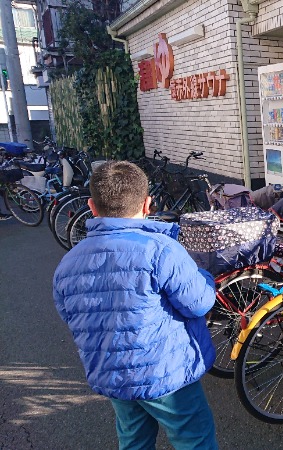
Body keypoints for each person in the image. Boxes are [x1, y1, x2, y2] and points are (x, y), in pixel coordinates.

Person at [52, 161, 218, 449]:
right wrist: (204, 275)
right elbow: (199, 303)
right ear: (147, 203)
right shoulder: (161, 250)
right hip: (165, 372)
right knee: (195, 439)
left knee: (133, 440)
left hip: (113, 371)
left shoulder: (68, 263)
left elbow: (69, 314)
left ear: (92, 206)